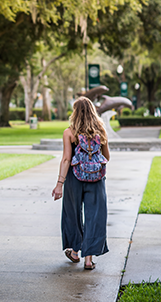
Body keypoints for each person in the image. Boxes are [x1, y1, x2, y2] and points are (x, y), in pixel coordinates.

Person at [52, 96, 110, 270]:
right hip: (96, 180)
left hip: (74, 179)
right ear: (93, 111)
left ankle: (75, 251)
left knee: (72, 213)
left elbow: (66, 159)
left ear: (75, 113)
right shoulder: (101, 132)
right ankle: (89, 260)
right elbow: (107, 157)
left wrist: (59, 184)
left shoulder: (69, 133)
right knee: (94, 216)